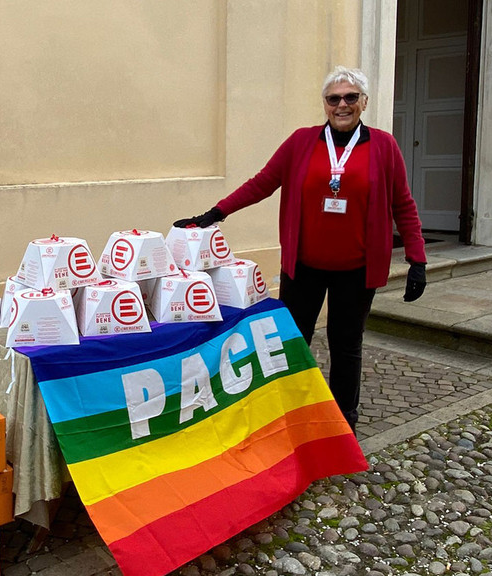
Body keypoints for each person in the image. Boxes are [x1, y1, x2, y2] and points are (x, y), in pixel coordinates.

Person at [173, 66, 427, 434]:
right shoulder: (301, 141)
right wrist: (215, 214)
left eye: (350, 97)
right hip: (304, 267)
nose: (342, 104)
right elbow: (262, 182)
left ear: (364, 102)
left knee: (346, 347)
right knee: (293, 343)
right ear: (324, 104)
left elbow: (403, 204)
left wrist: (417, 259)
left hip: (356, 270)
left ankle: (344, 422)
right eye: (333, 98)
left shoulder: (384, 146)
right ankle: (290, 416)